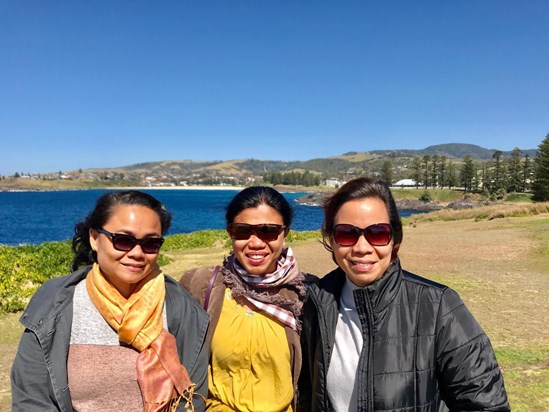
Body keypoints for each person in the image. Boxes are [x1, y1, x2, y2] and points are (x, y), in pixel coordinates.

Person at [298, 177, 510, 411]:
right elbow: (308, 392)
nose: (361, 247)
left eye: (377, 233)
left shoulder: (438, 307)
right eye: (346, 234)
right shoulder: (318, 301)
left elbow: (486, 405)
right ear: (332, 239)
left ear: (395, 240)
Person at [11, 190, 209, 412]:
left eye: (150, 243)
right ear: (94, 238)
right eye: (123, 240)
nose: (137, 253)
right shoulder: (54, 304)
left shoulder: (183, 309)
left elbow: (193, 398)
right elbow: (31, 398)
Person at [179, 186, 311, 411]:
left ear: (284, 233)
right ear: (230, 231)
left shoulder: (304, 294)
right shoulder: (200, 285)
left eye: (268, 231)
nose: (256, 242)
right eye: (243, 231)